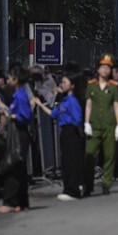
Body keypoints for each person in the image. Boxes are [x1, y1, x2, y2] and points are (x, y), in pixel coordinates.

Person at [33, 72, 84, 201]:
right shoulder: (64, 100)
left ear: (72, 85)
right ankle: (69, 188)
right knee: (66, 161)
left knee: (71, 161)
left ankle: (73, 190)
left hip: (71, 131)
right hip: (65, 132)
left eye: (65, 82)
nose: (62, 85)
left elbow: (77, 118)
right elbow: (52, 113)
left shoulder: (72, 101)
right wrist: (39, 104)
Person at [0, 64, 34, 213]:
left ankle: (10, 201)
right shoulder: (19, 94)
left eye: (9, 78)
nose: (7, 80)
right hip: (17, 132)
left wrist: (11, 115)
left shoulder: (20, 95)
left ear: (15, 79)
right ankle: (22, 202)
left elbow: (25, 116)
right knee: (19, 168)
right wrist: (1, 106)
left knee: (13, 166)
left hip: (18, 133)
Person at [83, 54, 118, 196]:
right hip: (94, 125)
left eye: (108, 68)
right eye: (103, 67)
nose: (105, 70)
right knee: (89, 153)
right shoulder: (91, 86)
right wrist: (86, 122)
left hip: (109, 124)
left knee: (109, 155)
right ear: (98, 69)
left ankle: (106, 183)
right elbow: (88, 104)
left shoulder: (114, 87)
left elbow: (116, 106)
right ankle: (88, 184)